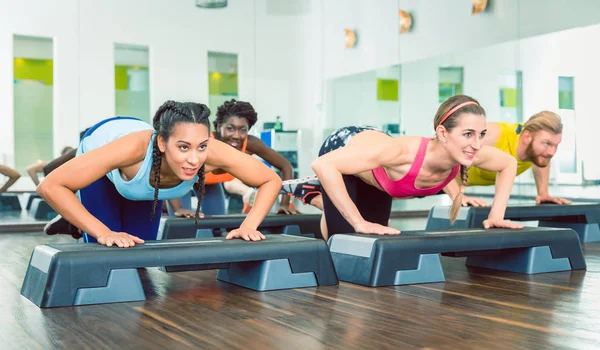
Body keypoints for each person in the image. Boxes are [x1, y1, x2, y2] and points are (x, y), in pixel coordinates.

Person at [38, 101, 282, 248]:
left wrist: (248, 226)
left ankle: (78, 219)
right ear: (163, 144)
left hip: (141, 184)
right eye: (183, 147)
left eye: (202, 146)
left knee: (140, 252)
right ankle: (75, 219)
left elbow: (271, 179)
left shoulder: (213, 152)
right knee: (110, 250)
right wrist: (102, 231)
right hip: (106, 146)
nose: (194, 159)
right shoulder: (133, 149)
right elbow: (50, 186)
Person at [281, 95, 524, 240]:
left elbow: (508, 163)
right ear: (442, 133)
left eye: (481, 134)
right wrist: (358, 222)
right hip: (345, 145)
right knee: (344, 238)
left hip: (378, 167)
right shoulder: (400, 154)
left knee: (376, 236)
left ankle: (317, 194)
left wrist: (496, 216)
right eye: (468, 134)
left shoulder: (465, 151)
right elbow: (323, 164)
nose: (477, 144)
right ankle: (316, 191)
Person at [167, 99, 298, 217]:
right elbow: (169, 170)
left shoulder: (250, 144)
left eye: (243, 130)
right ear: (218, 127)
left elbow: (286, 166)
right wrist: (178, 208)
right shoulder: (205, 143)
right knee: (181, 222)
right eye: (230, 128)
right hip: (181, 180)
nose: (236, 135)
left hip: (210, 184)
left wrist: (285, 204)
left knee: (218, 225)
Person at [443, 111, 571, 206]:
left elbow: (542, 160)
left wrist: (543, 193)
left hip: (452, 184)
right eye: (547, 144)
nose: (552, 152)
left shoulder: (537, 148)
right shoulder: (493, 134)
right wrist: (457, 196)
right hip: (429, 178)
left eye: (556, 145)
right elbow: (443, 150)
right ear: (527, 137)